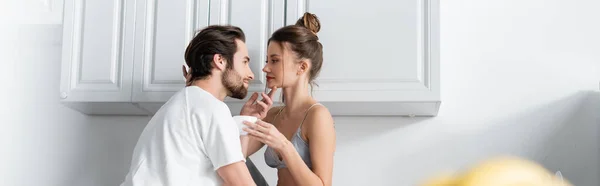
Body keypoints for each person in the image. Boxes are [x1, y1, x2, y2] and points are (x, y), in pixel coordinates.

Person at [120, 25, 276, 186]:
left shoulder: (187, 102)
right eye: (244, 62)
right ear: (220, 61)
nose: (251, 74)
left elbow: (232, 172)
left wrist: (246, 123)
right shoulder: (211, 108)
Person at [241, 12, 336, 186]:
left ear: (302, 67)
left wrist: (284, 145)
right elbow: (235, 158)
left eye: (274, 60)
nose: (265, 68)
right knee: (234, 163)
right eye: (267, 60)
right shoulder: (273, 115)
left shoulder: (317, 116)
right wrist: (246, 119)